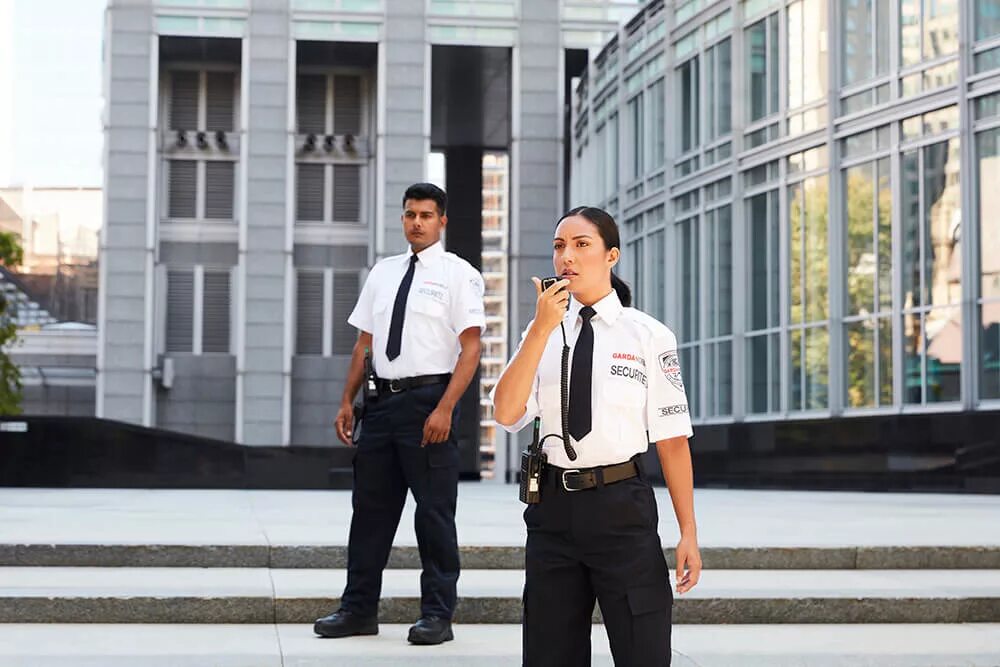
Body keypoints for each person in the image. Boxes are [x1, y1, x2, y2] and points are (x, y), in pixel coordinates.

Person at [491, 206, 701, 666]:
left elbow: (671, 440)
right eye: (559, 246)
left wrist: (688, 532)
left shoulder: (648, 335)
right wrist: (542, 328)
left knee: (642, 648)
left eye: (581, 244)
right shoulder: (540, 332)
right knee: (549, 652)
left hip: (620, 507)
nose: (567, 256)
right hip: (553, 511)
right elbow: (505, 413)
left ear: (611, 256)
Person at [314, 182, 485, 645]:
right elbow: (363, 344)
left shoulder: (459, 275)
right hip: (381, 404)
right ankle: (358, 610)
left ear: (442, 220)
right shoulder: (383, 273)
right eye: (410, 214)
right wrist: (347, 401)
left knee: (433, 514)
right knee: (368, 512)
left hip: (428, 402)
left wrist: (447, 407)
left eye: (426, 215)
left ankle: (437, 616)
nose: (416, 223)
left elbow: (471, 349)